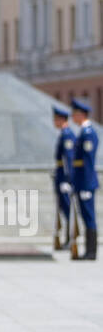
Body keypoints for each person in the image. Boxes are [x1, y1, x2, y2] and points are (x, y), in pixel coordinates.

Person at [70, 97, 98, 261]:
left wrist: (86, 186)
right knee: (85, 216)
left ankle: (91, 252)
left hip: (86, 183)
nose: (73, 118)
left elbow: (87, 162)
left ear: (81, 115)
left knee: (89, 216)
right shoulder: (83, 133)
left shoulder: (88, 133)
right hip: (81, 182)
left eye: (75, 114)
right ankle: (88, 251)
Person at [52, 105, 76, 251]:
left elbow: (68, 158)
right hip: (60, 175)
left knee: (69, 211)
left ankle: (70, 240)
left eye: (55, 119)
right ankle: (67, 239)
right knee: (64, 210)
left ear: (61, 120)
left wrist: (67, 179)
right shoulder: (63, 134)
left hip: (64, 177)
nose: (54, 122)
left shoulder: (67, 135)